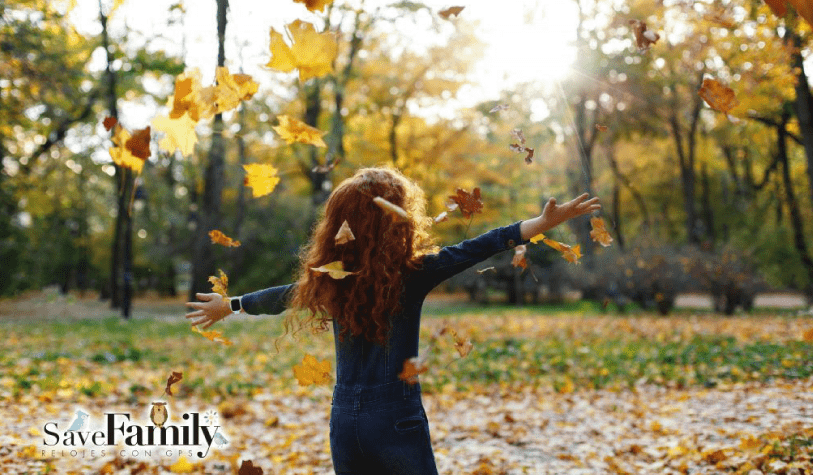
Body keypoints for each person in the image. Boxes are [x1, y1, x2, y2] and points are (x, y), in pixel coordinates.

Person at [185, 166, 600, 474]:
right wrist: (541, 225)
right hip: (395, 420)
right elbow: (479, 246)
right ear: (398, 220)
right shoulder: (414, 274)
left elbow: (281, 297)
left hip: (344, 419)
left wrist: (232, 304)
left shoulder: (331, 282)